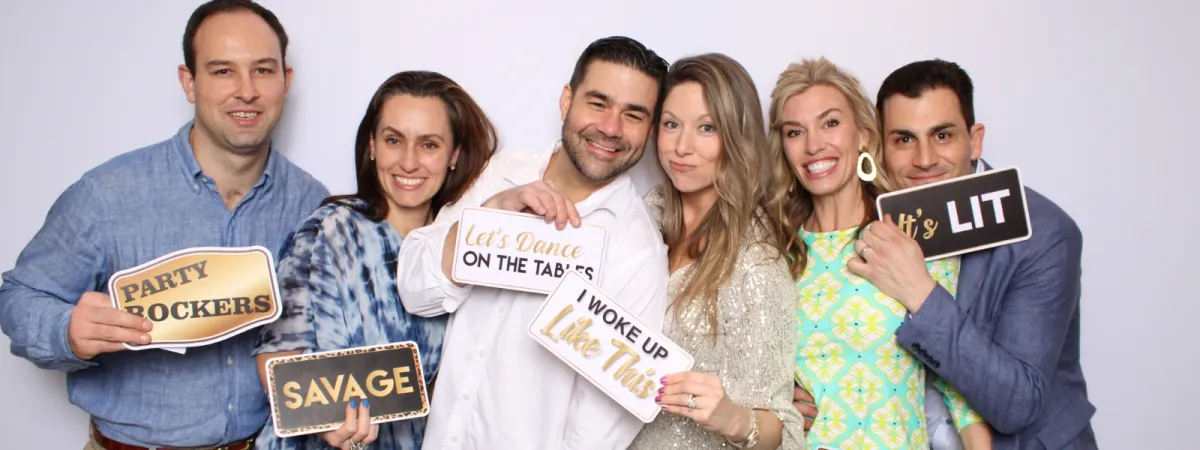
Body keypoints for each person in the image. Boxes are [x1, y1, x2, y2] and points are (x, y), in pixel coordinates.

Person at [0, 1, 329, 449]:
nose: (247, 91)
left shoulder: (313, 204)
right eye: (222, 71)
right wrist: (65, 331)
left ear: (285, 82)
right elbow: (19, 296)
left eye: (264, 71)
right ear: (189, 82)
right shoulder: (107, 194)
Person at [395, 36, 671, 449]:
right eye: (598, 103)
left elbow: (602, 427)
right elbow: (415, 291)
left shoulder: (638, 251)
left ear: (649, 129)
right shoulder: (502, 172)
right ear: (566, 100)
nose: (611, 128)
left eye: (633, 115)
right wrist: (489, 215)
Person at [844, 59, 1097, 449]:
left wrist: (920, 293)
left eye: (942, 136)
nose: (924, 159)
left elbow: (1018, 403)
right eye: (904, 139)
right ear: (881, 147)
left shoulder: (1045, 233)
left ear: (975, 140)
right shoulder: (867, 227)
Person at [251, 71, 498, 450]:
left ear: (454, 156)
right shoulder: (330, 229)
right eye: (394, 140)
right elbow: (276, 357)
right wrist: (325, 421)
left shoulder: (462, 249)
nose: (409, 162)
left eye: (429, 145)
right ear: (372, 146)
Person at [768, 57, 992, 450]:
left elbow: (957, 384)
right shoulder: (776, 256)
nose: (813, 144)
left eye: (831, 123)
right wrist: (771, 401)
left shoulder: (912, 238)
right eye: (794, 131)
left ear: (864, 134)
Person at [627, 53, 807, 450]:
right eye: (671, 125)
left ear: (736, 137)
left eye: (706, 128)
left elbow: (782, 427)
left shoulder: (755, 263)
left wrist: (734, 418)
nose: (681, 147)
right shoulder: (640, 219)